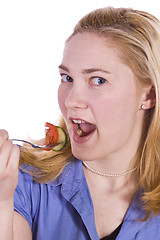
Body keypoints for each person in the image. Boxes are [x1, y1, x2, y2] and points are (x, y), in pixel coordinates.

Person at [1, 6, 160, 240]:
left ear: (149, 96)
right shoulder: (23, 180)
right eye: (67, 78)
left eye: (98, 80)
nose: (71, 100)